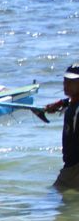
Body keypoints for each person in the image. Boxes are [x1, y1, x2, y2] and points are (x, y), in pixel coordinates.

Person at [37, 63, 79, 191]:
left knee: (53, 200)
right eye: (65, 80)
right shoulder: (72, 102)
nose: (66, 85)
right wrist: (61, 103)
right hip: (71, 166)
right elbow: (71, 102)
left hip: (74, 168)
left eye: (71, 82)